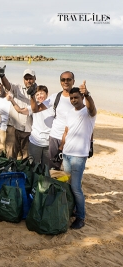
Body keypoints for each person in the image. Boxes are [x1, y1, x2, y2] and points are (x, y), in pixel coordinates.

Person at [59, 83, 96, 229]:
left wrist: (87, 94)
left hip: (79, 155)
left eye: (76, 97)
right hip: (67, 153)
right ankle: (73, 209)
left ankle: (81, 217)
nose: (74, 100)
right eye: (72, 98)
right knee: (68, 184)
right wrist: (61, 147)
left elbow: (92, 107)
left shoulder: (88, 112)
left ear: (81, 97)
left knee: (75, 187)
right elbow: (66, 131)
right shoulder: (70, 113)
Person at [7, 85, 54, 167]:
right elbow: (20, 110)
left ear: (47, 94)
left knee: (46, 168)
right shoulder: (33, 108)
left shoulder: (53, 107)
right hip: (35, 142)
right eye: (37, 94)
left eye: (41, 93)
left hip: (49, 143)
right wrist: (12, 100)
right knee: (33, 166)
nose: (39, 96)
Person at [0, 66, 34, 159]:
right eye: (26, 79)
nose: (28, 81)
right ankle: (10, 171)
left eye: (30, 78)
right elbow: (7, 85)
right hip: (14, 128)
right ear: (23, 80)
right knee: (11, 154)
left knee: (26, 156)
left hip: (29, 130)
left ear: (34, 79)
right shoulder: (17, 88)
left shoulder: (39, 92)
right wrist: (2, 76)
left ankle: (24, 172)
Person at [42, 71, 76, 170]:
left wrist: (87, 95)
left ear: (73, 81)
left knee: (69, 168)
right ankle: (53, 185)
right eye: (63, 80)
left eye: (69, 79)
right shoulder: (55, 97)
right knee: (53, 166)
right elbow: (37, 108)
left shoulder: (79, 98)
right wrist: (32, 96)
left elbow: (90, 116)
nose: (66, 82)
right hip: (55, 137)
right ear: (60, 82)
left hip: (71, 139)